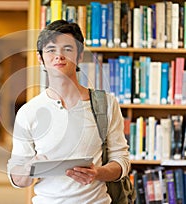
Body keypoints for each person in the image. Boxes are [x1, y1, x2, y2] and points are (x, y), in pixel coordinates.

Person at [7, 20, 130, 203]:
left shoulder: (106, 104)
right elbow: (17, 178)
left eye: (67, 49)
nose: (59, 56)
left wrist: (98, 173)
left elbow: (122, 161)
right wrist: (30, 168)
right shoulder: (28, 112)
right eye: (51, 50)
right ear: (40, 58)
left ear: (80, 56)